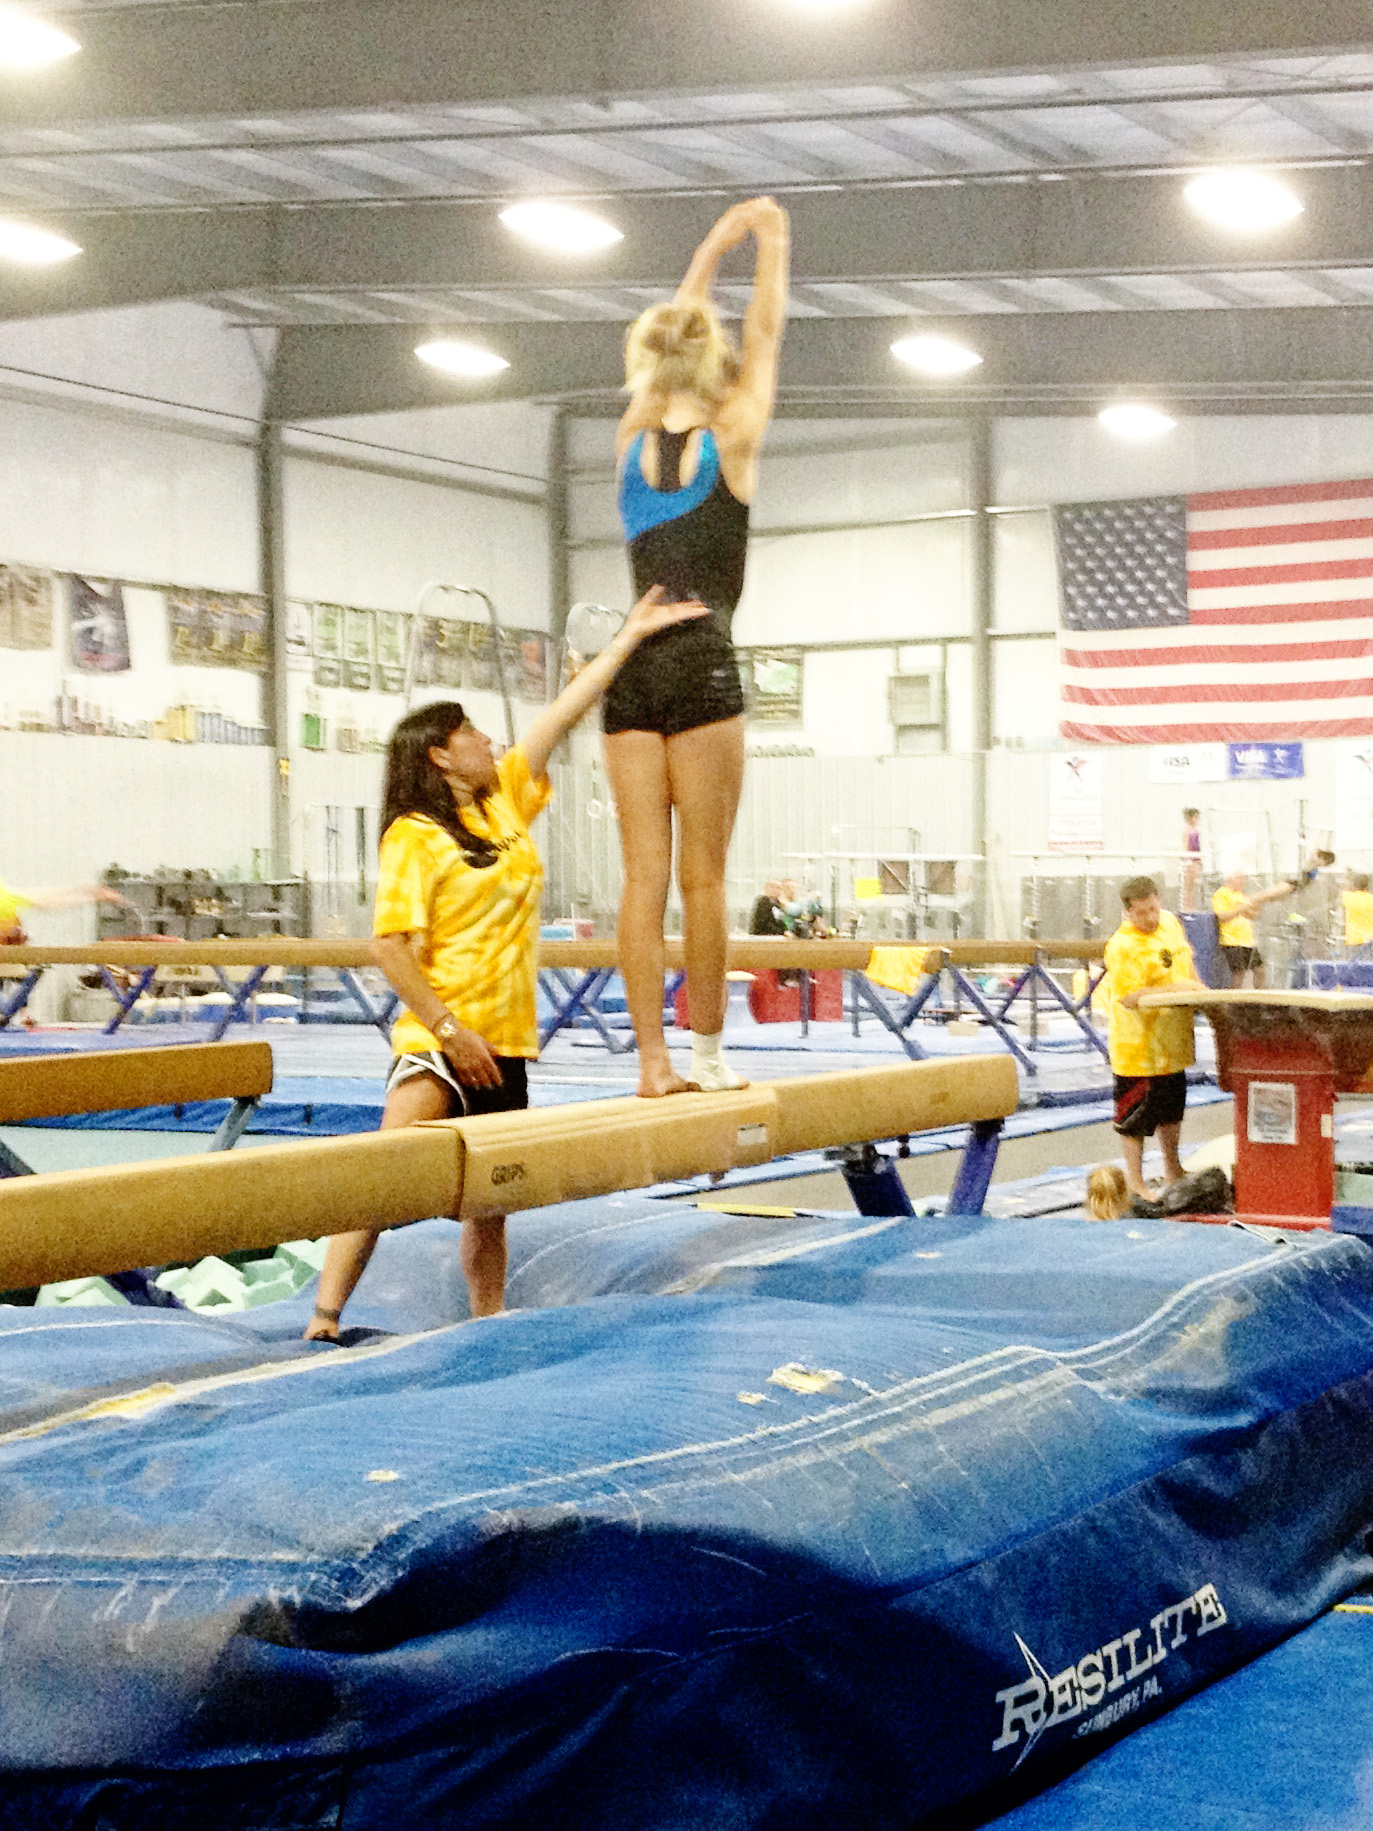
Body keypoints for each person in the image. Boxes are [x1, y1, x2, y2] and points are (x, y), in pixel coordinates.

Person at [304, 586, 709, 1343]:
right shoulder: (413, 836)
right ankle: (323, 1319)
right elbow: (387, 946)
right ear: (439, 753)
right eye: (473, 733)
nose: (490, 740)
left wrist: (628, 639)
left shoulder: (503, 807)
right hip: (441, 1041)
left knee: (492, 1199)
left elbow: (560, 714)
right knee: (379, 1179)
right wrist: (449, 1029)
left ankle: (486, 1321)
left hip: (509, 1038)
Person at [604, 194, 789, 1097]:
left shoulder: (629, 439)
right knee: (703, 880)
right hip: (701, 657)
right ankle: (709, 1058)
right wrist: (768, 240)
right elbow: (763, 334)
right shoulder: (735, 438)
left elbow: (680, 331)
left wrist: (708, 248)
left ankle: (651, 1065)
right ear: (713, 367)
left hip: (629, 665)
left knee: (643, 880)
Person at [1103, 875, 1207, 1203]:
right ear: (1127, 912)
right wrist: (1180, 990)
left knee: (1171, 1111)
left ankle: (1173, 1169)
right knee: (1136, 1118)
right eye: (1141, 913)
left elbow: (1186, 965)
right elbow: (1131, 997)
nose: (1150, 918)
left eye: (1153, 909)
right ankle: (1135, 1182)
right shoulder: (1122, 946)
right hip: (1138, 1050)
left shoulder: (1171, 924)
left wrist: (1202, 990)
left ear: (1159, 900)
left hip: (1172, 1043)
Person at [1210, 870, 1298, 988]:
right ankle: (1232, 1000)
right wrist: (1242, 908)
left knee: (1260, 970)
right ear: (1229, 879)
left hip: (1248, 941)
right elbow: (1223, 916)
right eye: (1238, 878)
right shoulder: (1221, 894)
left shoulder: (1241, 895)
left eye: (1242, 879)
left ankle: (1260, 998)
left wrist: (1253, 905)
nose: (1242, 882)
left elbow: (1253, 913)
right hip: (1232, 941)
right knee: (1239, 973)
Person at [0, 877, 131, 943]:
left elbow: (48, 900)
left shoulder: (6, 897)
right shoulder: (6, 899)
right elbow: (47, 901)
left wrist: (90, 893)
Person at [1344, 872, 1373, 954]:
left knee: (1354, 966)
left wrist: (1348, 876)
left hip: (1354, 939)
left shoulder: (1348, 898)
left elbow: (1344, 889)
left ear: (1354, 884)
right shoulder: (1371, 899)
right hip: (1370, 939)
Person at [1180, 808, 1202, 913]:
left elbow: (1198, 845)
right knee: (1188, 885)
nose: (1197, 819)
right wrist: (1186, 859)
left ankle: (1191, 905)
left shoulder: (1196, 830)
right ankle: (1186, 906)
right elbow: (1185, 845)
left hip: (1195, 858)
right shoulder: (1187, 830)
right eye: (1195, 817)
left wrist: (1199, 859)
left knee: (1192, 885)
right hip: (1189, 859)